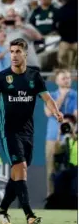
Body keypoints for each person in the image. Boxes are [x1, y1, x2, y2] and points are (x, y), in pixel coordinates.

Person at [0, 38, 63, 224]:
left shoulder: (34, 77)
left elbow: (46, 98)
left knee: (17, 174)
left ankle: (2, 210)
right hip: (9, 131)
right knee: (20, 167)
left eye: (17, 52)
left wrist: (55, 110)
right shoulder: (0, 78)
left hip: (28, 132)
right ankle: (29, 214)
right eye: (11, 51)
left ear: (25, 54)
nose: (13, 55)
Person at [45, 69, 78, 197]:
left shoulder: (76, 95)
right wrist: (63, 96)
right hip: (53, 137)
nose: (67, 80)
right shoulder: (51, 95)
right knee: (51, 169)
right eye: (64, 78)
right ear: (57, 81)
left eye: (68, 78)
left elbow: (77, 115)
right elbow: (49, 112)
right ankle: (51, 197)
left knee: (73, 168)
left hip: (72, 137)